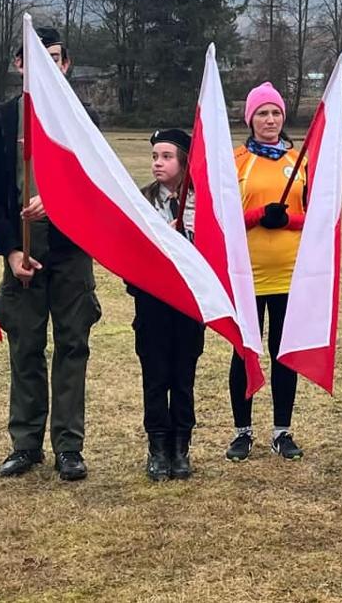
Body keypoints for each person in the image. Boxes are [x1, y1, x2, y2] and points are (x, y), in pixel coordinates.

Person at [0, 26, 102, 481]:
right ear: (19, 64)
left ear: (66, 65)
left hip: (71, 253)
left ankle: (69, 445)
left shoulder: (82, 119)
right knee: (25, 347)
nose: (47, 65)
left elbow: (97, 184)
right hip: (23, 254)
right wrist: (10, 250)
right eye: (35, 58)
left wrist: (60, 199)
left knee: (72, 347)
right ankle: (26, 444)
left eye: (55, 58)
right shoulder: (3, 120)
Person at [225, 83, 307, 462]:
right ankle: (242, 432)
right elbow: (223, 219)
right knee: (245, 353)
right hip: (247, 275)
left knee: (283, 353)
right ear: (250, 119)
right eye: (262, 113)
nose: (270, 120)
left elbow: (317, 217)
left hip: (291, 274)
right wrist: (259, 215)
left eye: (275, 113)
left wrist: (287, 220)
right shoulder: (237, 160)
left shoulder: (300, 160)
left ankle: (281, 431)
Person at [131, 129, 205, 480]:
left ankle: (180, 447)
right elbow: (130, 249)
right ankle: (158, 447)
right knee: (156, 377)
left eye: (166, 157)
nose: (157, 163)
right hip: (153, 305)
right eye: (154, 157)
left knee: (183, 377)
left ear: (184, 162)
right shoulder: (142, 201)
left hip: (189, 304)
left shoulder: (201, 203)